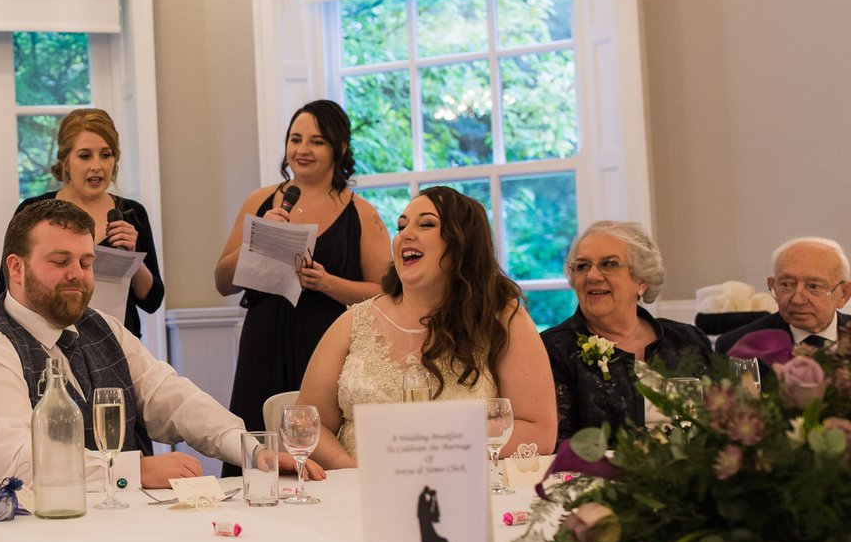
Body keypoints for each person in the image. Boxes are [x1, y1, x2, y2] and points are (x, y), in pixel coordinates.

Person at [0, 199, 304, 490]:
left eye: (86, 262)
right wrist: (137, 471)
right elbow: (14, 462)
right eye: (60, 261)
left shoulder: (104, 327)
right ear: (17, 269)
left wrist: (252, 451)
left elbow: (173, 397)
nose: (77, 274)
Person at [295, 186, 557, 467]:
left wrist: (441, 450)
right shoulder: (354, 323)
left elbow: (539, 430)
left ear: (461, 243)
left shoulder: (502, 319)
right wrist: (352, 470)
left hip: (465, 488)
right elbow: (309, 424)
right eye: (401, 225)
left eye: (427, 224)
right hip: (358, 493)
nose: (406, 234)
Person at [215, 100, 391, 440]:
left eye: (316, 141)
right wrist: (255, 241)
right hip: (263, 339)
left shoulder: (361, 213)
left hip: (326, 340)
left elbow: (384, 292)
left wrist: (328, 283)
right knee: (257, 437)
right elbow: (222, 282)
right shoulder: (260, 201)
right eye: (295, 139)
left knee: (316, 439)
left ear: (339, 148)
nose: (303, 149)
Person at [0, 108, 163, 336]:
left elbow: (152, 301)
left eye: (106, 154)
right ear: (65, 162)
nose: (97, 166)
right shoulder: (34, 211)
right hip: (50, 339)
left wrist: (133, 260)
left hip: (116, 341)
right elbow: (3, 288)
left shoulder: (133, 213)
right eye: (85, 155)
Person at [541, 221, 712, 442]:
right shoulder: (553, 351)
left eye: (609, 264)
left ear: (642, 280)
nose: (592, 276)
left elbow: (722, 423)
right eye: (582, 266)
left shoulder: (687, 340)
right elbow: (557, 447)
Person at [715, 237, 851, 353]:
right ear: (772, 285)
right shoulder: (738, 346)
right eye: (786, 285)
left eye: (813, 287)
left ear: (844, 294)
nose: (797, 300)